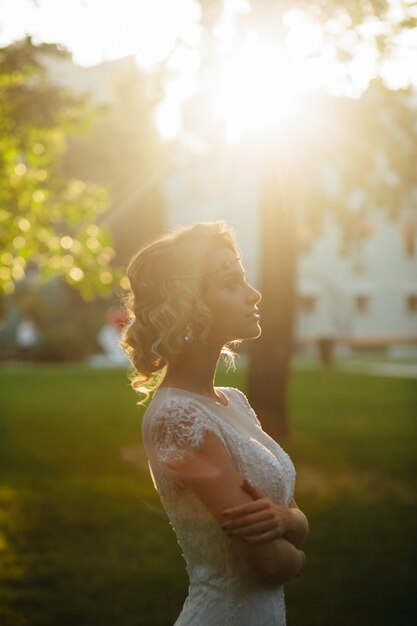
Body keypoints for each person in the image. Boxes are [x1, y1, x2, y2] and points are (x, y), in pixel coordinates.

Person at [120, 222, 309, 626]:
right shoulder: (178, 418)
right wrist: (300, 553)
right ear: (190, 305)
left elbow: (291, 514)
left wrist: (289, 520)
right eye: (232, 282)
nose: (253, 293)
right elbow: (270, 564)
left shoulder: (234, 402)